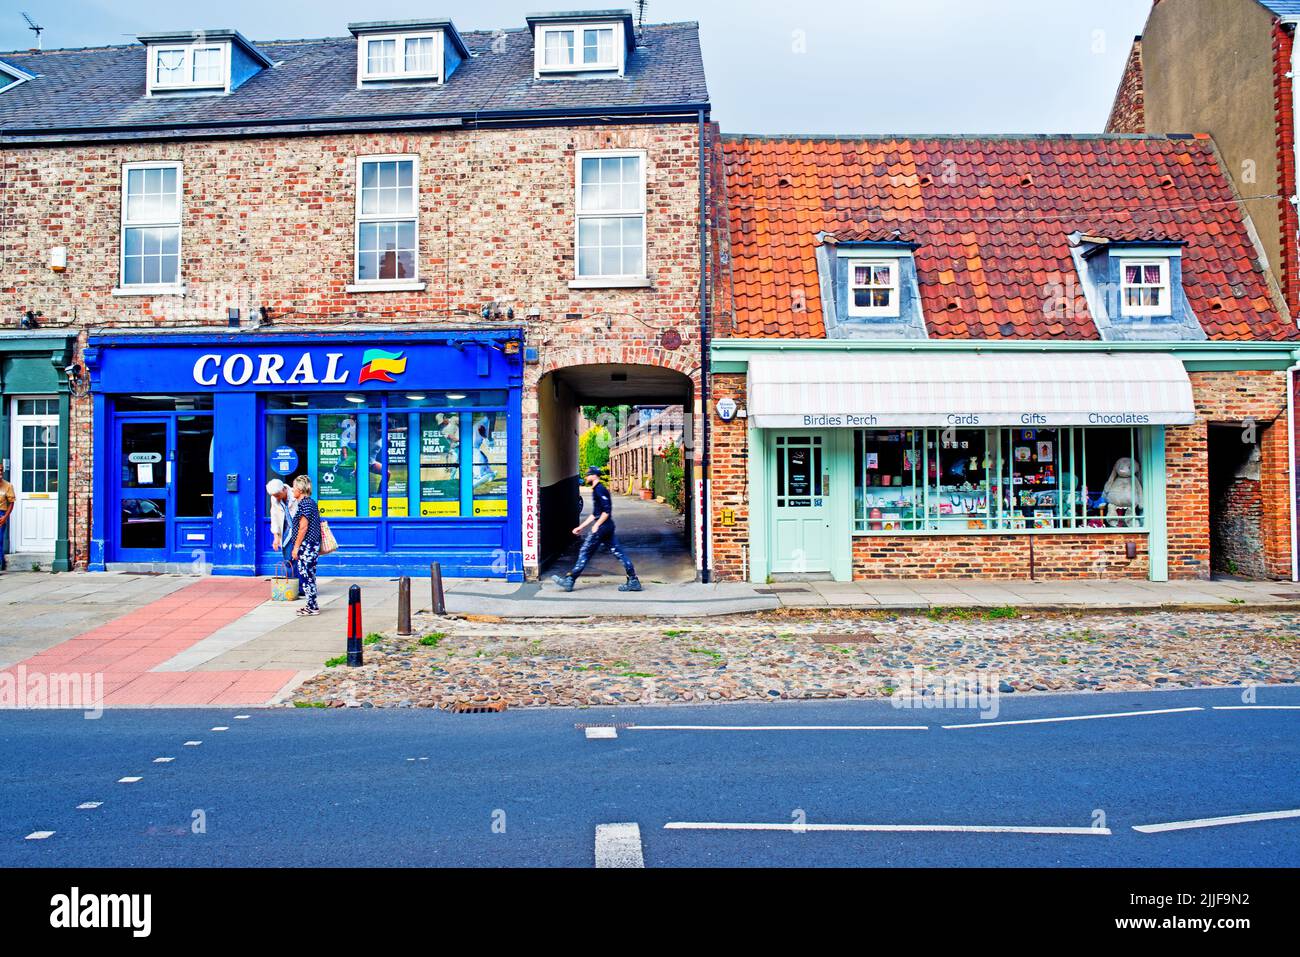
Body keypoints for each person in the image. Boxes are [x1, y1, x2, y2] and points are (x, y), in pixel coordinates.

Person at [552, 466, 642, 593]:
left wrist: (596, 525)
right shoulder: (596, 489)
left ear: (594, 475)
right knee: (618, 552)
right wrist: (581, 527)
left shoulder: (600, 489)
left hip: (602, 528)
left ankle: (570, 580)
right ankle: (633, 580)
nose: (586, 476)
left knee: (585, 552)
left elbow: (606, 511)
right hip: (606, 527)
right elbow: (595, 513)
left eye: (589, 474)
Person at [289, 474, 323, 617]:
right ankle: (311, 604)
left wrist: (296, 547)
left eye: (294, 487)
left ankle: (312, 606)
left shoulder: (305, 504)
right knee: (309, 575)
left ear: (300, 489)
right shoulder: (309, 502)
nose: (292, 490)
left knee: (306, 575)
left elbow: (303, 527)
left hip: (307, 545)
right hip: (310, 544)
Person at [267, 478, 303, 599]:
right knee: (288, 560)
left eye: (277, 494)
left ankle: (302, 588)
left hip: (299, 531)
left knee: (301, 560)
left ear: (283, 489)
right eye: (274, 495)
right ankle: (292, 588)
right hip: (286, 533)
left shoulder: (295, 494)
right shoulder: (274, 499)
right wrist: (276, 537)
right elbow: (275, 517)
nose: (276, 497)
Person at [0, 465, 14, 573]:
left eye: (1, 470)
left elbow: (11, 503)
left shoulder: (7, 486)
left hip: (1, 513)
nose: (0, 473)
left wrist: (5, 517)